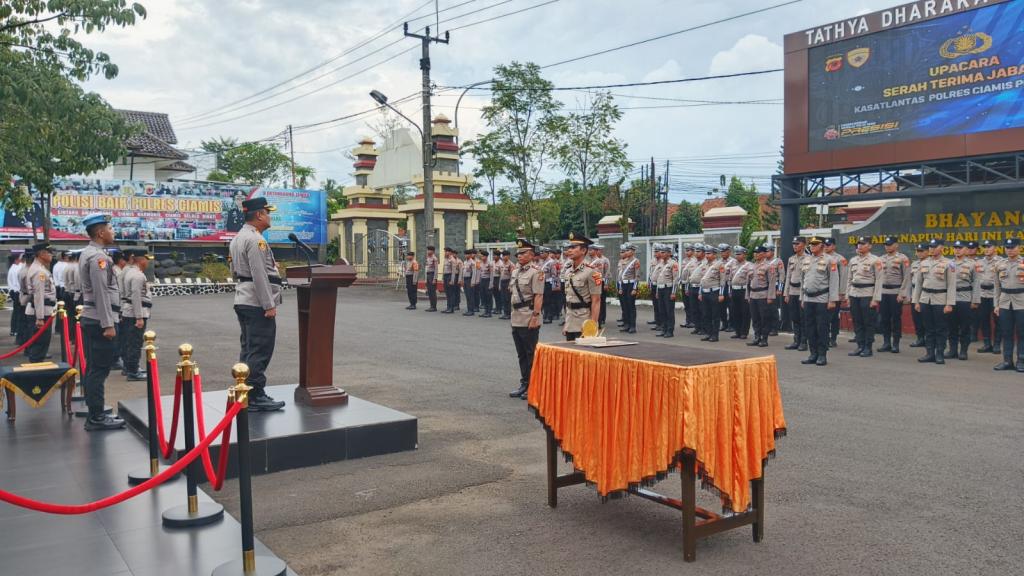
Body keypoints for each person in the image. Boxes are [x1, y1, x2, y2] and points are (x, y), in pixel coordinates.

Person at [229, 197, 286, 412]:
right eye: (267, 212)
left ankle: (244, 390)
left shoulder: (238, 237)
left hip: (243, 297)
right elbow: (259, 274)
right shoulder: (256, 240)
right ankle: (255, 394)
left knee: (249, 348)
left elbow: (237, 270)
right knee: (260, 349)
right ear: (260, 215)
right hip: (256, 301)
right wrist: (268, 304)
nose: (269, 216)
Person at [78, 213, 126, 431]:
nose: (113, 232)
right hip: (100, 320)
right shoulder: (98, 258)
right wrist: (108, 324)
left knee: (93, 368)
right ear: (100, 233)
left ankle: (94, 412)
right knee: (99, 369)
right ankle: (96, 417)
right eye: (110, 228)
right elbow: (101, 293)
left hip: (93, 318)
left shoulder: (89, 253)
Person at [508, 239, 544, 399]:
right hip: (516, 316)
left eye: (523, 253)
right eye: (518, 253)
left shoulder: (536, 272)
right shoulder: (516, 271)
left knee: (531, 354)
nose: (519, 256)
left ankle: (534, 386)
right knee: (521, 354)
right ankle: (524, 383)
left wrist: (535, 317)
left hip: (529, 316)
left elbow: (538, 295)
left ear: (531, 255)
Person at [912, 238, 956, 365]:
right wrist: (916, 301)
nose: (931, 248)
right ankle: (929, 353)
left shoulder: (950, 263)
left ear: (941, 247)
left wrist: (949, 303)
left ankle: (940, 354)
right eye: (930, 246)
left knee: (940, 328)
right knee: (928, 328)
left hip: (940, 299)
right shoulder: (923, 263)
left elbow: (951, 285)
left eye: (934, 246)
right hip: (925, 299)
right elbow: (919, 283)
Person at [799, 236, 840, 366]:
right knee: (809, 327)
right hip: (808, 298)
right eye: (811, 244)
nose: (812, 246)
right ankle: (813, 353)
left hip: (822, 298)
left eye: (815, 244)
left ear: (822, 245)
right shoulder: (806, 259)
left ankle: (822, 355)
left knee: (821, 327)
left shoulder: (830, 260)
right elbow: (803, 280)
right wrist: (802, 297)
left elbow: (834, 281)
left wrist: (832, 300)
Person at [845, 237, 883, 357]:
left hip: (867, 294)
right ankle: (860, 345)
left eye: (863, 244)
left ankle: (868, 347)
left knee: (868, 322)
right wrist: (847, 295)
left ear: (870, 246)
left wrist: (875, 299)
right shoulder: (853, 260)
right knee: (857, 321)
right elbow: (849, 279)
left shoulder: (875, 260)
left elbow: (879, 280)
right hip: (854, 293)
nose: (859, 246)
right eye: (858, 244)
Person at [561, 232, 602, 341]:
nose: (569, 250)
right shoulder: (568, 271)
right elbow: (569, 299)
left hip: (584, 321)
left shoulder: (592, 271)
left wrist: (592, 325)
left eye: (573, 247)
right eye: (569, 247)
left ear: (583, 250)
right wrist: (566, 323)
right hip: (570, 321)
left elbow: (596, 301)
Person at [992, 237, 1024, 372]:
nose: (1010, 250)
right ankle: (1007, 360)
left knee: (1022, 333)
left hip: (1021, 301)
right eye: (1007, 247)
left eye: (1013, 247)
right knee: (1006, 332)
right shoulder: (1000, 264)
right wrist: (996, 305)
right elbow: (997, 287)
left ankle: (1021, 361)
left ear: (1019, 248)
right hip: (1005, 302)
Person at [121, 249, 153, 381]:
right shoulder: (138, 275)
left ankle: (129, 368)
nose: (147, 262)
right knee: (135, 343)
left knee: (129, 342)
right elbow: (136, 296)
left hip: (129, 311)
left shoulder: (129, 272)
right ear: (141, 260)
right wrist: (139, 317)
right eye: (146, 259)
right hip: (136, 313)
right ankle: (133, 372)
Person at [946, 240, 980, 361]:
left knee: (965, 327)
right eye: (955, 247)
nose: (957, 250)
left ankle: (963, 351)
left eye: (960, 248)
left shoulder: (972, 264)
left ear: (966, 249)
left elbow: (976, 283)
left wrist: (975, 300)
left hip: (965, 298)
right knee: (951, 326)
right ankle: (952, 350)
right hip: (951, 298)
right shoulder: (949, 263)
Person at [877, 237, 911, 353]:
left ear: (896, 245)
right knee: (884, 319)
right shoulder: (881, 259)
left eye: (890, 244)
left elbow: (906, 277)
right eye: (886, 244)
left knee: (896, 319)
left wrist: (902, 293)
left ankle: (895, 343)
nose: (887, 246)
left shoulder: (903, 258)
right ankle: (886, 342)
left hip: (896, 292)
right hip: (883, 292)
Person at [26, 242, 56, 363]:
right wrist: (40, 317)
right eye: (49, 253)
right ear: (42, 254)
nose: (51, 256)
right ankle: (35, 375)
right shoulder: (40, 272)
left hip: (42, 310)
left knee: (40, 345)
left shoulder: (40, 269)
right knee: (39, 346)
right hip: (40, 312)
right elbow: (38, 296)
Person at [747, 245, 777, 347]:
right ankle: (757, 337)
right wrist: (748, 296)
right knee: (755, 318)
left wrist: (770, 297)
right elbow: (748, 283)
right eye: (754, 252)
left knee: (764, 318)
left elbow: (772, 283)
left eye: (758, 252)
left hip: (763, 295)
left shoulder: (769, 266)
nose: (755, 254)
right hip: (753, 295)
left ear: (764, 254)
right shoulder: (751, 266)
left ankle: (764, 339)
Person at [975, 240, 1000, 353]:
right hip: (982, 295)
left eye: (989, 246)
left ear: (995, 248)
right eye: (985, 247)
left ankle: (997, 344)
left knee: (998, 321)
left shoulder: (1001, 261)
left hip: (995, 295)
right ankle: (987, 344)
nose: (986, 249)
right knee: (983, 320)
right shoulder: (979, 262)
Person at [698, 245, 728, 342]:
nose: (707, 255)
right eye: (706, 253)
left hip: (714, 292)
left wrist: (721, 294)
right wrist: (700, 292)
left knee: (715, 315)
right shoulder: (703, 265)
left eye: (709, 253)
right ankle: (708, 333)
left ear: (714, 254)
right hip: (705, 292)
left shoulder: (719, 265)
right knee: (706, 314)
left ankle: (715, 335)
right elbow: (701, 280)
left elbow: (723, 280)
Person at [784, 237, 808, 351]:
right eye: (793, 244)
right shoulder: (791, 259)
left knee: (803, 318)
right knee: (794, 317)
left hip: (802, 292)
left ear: (804, 244)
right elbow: (788, 276)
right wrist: (786, 293)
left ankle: (803, 341)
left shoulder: (808, 258)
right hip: (792, 291)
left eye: (797, 244)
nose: (795, 246)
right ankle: (796, 340)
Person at [823, 238, 848, 348]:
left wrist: (841, 293)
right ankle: (824, 337)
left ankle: (833, 338)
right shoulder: (821, 257)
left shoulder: (840, 259)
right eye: (824, 245)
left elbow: (843, 277)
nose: (826, 247)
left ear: (834, 246)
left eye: (828, 245)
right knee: (823, 316)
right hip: (822, 292)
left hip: (835, 292)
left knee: (833, 317)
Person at [906, 244, 928, 348]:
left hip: (926, 293)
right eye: (917, 251)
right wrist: (908, 295)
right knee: (916, 317)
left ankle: (929, 339)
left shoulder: (930, 263)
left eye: (921, 251)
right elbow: (909, 280)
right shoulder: (914, 264)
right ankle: (920, 338)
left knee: (926, 318)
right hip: (915, 293)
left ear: (928, 251)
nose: (919, 253)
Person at [655, 245, 678, 338]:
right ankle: (663, 329)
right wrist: (657, 291)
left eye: (663, 252)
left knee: (669, 311)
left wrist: (673, 292)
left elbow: (675, 279)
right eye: (661, 252)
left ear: (669, 253)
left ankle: (670, 330)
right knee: (662, 310)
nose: (661, 254)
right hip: (660, 289)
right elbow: (658, 278)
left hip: (668, 289)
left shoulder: (673, 263)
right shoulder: (660, 263)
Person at [729, 246, 753, 340]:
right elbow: (730, 278)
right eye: (736, 254)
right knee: (735, 311)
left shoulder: (749, 265)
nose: (737, 256)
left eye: (739, 254)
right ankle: (737, 331)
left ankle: (744, 332)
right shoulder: (733, 265)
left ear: (744, 254)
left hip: (744, 290)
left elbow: (751, 279)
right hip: (734, 290)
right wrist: (730, 290)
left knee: (745, 312)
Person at [618, 243, 640, 334]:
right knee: (625, 306)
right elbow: (620, 276)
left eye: (628, 250)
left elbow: (637, 276)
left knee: (631, 306)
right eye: (626, 250)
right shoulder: (623, 261)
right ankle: (626, 324)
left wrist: (635, 288)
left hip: (631, 285)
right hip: (624, 285)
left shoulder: (636, 261)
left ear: (633, 251)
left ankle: (632, 326)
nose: (626, 252)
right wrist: (620, 287)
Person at [687, 244, 708, 334]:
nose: (696, 253)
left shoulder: (706, 263)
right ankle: (697, 327)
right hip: (692, 288)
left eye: (698, 251)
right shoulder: (692, 263)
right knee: (694, 309)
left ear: (703, 253)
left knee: (702, 309)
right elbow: (689, 277)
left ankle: (704, 328)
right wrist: (687, 288)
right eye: (695, 251)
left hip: (701, 288)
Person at [16, 249, 34, 346]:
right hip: (27, 297)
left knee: (23, 321)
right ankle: (26, 343)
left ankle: (21, 340)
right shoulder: (28, 271)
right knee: (28, 324)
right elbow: (29, 288)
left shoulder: (22, 269)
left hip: (23, 296)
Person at [591, 244, 611, 328]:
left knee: (601, 301)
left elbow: (607, 273)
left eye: (599, 250)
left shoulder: (604, 260)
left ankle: (602, 317)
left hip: (601, 282)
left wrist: (606, 283)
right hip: (593, 283)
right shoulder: (590, 260)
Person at [679, 244, 696, 328]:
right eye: (686, 250)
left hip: (689, 284)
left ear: (693, 251)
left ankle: (693, 321)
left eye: (688, 250)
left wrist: (687, 285)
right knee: (686, 304)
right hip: (683, 283)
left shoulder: (694, 261)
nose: (686, 252)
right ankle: (688, 320)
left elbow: (692, 274)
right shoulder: (684, 260)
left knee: (691, 304)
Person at [719, 244, 735, 332]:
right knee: (721, 306)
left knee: (731, 306)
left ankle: (732, 324)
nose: (722, 253)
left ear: (729, 251)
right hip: (722, 285)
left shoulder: (733, 262)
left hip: (730, 285)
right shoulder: (719, 262)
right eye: (721, 251)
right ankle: (724, 323)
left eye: (724, 251)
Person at [7, 253, 22, 337]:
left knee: (16, 312)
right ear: (16, 259)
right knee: (18, 312)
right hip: (17, 292)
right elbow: (18, 283)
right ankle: (16, 329)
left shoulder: (13, 268)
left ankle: (13, 329)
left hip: (14, 292)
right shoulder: (17, 268)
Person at [461, 249, 477, 316]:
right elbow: (463, 272)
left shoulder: (472, 262)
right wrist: (462, 280)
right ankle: (468, 309)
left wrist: (472, 282)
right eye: (465, 254)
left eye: (467, 254)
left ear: (470, 255)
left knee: (470, 296)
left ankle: (471, 310)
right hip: (465, 279)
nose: (466, 255)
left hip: (470, 280)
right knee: (467, 295)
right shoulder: (465, 262)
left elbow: (474, 273)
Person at [478, 249, 493, 318]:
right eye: (481, 256)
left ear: (486, 257)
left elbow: (491, 275)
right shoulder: (480, 263)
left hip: (488, 280)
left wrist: (491, 284)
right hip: (482, 281)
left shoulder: (489, 264)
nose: (481, 257)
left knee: (488, 297)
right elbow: (479, 273)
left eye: (482, 256)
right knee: (483, 296)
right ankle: (485, 311)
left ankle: (489, 312)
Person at [498, 250, 513, 319]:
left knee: (508, 299)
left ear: (508, 256)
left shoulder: (511, 264)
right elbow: (500, 275)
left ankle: (509, 314)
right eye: (503, 255)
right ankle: (505, 313)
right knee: (503, 298)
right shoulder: (502, 264)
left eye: (505, 255)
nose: (504, 257)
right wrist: (499, 285)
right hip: (502, 282)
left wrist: (510, 285)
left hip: (508, 282)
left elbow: (512, 276)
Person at [424, 246, 439, 312]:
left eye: (429, 250)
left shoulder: (434, 258)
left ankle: (434, 307)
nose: (428, 251)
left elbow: (436, 269)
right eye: (427, 250)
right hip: (428, 275)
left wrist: (434, 279)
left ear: (432, 251)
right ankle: (431, 306)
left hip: (432, 275)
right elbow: (427, 267)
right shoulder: (428, 258)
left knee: (433, 292)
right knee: (429, 292)